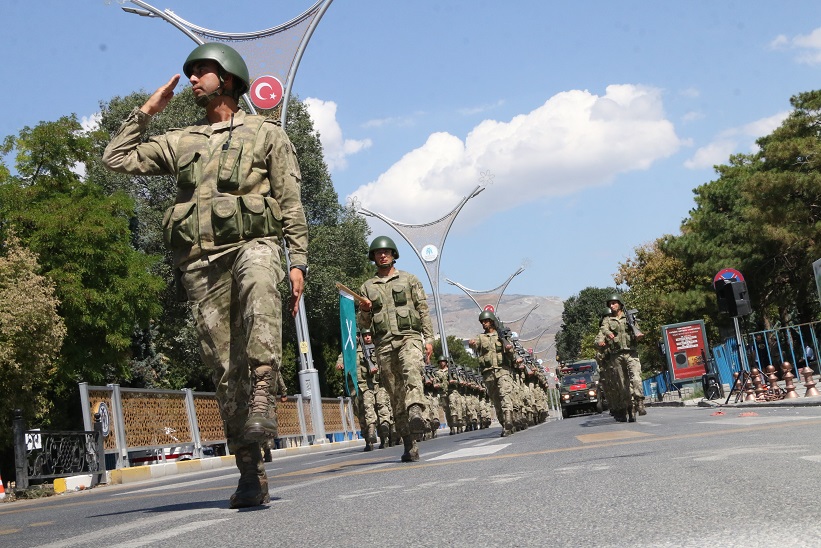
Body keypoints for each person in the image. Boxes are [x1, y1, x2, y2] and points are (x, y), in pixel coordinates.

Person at [102, 43, 308, 509]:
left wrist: (297, 262)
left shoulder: (266, 134)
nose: (193, 79)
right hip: (200, 264)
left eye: (203, 71)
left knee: (259, 288)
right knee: (222, 368)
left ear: (229, 78)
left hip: (251, 246)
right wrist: (146, 112)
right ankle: (250, 473)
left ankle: (263, 394)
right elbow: (115, 159)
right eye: (191, 72)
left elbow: (290, 202)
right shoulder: (182, 140)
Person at [357, 236, 434, 462]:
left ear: (393, 255)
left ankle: (416, 411)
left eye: (387, 252)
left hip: (409, 338)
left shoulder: (410, 280)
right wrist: (364, 310)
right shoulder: (367, 287)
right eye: (378, 253)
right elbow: (363, 326)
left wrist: (429, 339)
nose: (383, 255)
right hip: (384, 345)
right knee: (394, 394)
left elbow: (423, 310)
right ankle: (409, 442)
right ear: (373, 257)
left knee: (412, 369)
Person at [469, 310, 519, 437]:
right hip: (488, 373)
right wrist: (472, 344)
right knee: (496, 400)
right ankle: (505, 423)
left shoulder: (502, 336)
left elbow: (512, 354)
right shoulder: (481, 337)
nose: (483, 324)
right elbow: (475, 345)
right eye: (482, 322)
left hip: (503, 370)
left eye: (485, 321)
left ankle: (508, 419)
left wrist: (509, 349)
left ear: (491, 321)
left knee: (505, 395)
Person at [597, 295, 645, 422]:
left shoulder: (629, 317)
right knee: (623, 384)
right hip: (616, 355)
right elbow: (603, 330)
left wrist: (638, 334)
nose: (612, 306)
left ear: (620, 304)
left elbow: (637, 329)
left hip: (631, 352)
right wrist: (606, 336)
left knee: (636, 378)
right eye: (610, 304)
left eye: (614, 303)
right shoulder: (607, 320)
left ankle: (639, 401)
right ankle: (629, 407)